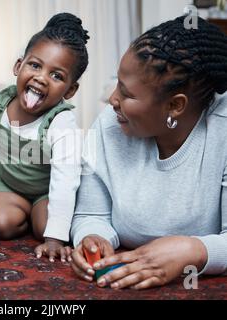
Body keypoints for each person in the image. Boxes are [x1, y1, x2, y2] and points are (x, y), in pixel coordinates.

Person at [70, 15, 227, 289]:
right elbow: (90, 214)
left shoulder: (221, 132)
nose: (112, 100)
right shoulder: (109, 124)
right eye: (117, 83)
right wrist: (92, 236)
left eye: (127, 94)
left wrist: (193, 250)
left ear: (175, 105)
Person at [0, 13, 89, 262]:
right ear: (18, 66)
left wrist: (54, 238)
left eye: (56, 75)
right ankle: (20, 212)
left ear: (70, 90)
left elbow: (65, 180)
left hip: (47, 191)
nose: (41, 77)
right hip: (9, 185)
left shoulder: (61, 122)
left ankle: (36, 215)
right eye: (35, 65)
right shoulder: (2, 103)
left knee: (47, 229)